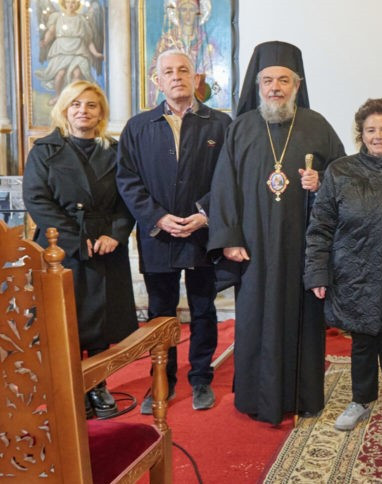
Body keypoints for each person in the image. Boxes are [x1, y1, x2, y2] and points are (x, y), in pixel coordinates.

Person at [207, 41, 345, 425]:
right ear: (258, 84)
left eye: (284, 80)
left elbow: (344, 177)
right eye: (268, 80)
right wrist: (230, 237)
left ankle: (303, 395)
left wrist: (322, 181)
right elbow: (223, 186)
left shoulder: (317, 125)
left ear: (297, 85)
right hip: (254, 248)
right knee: (254, 320)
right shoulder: (241, 129)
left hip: (303, 248)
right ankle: (255, 398)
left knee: (304, 321)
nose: (275, 88)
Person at [117, 49, 231, 414]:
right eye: (168, 71)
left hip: (202, 234)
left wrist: (204, 213)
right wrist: (158, 217)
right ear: (158, 81)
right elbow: (127, 180)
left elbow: (229, 178)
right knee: (161, 313)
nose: (176, 76)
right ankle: (160, 380)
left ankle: (200, 378)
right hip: (158, 236)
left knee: (203, 309)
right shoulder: (138, 127)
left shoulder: (220, 124)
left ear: (195, 78)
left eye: (183, 70)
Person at [305, 98, 382, 435]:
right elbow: (320, 227)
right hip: (352, 273)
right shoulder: (340, 172)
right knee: (362, 342)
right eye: (371, 130)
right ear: (361, 134)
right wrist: (317, 272)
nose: (378, 135)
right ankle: (360, 400)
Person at [23, 80, 136, 418]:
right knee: (65, 319)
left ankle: (97, 384)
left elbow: (129, 197)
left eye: (91, 105)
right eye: (76, 104)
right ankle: (71, 386)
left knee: (102, 320)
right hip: (61, 246)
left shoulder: (116, 151)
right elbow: (37, 199)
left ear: (101, 113)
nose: (83, 111)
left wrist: (116, 233)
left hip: (105, 245)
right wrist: (73, 237)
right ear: (65, 109)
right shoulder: (45, 150)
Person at [146, 0, 216, 107]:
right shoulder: (167, 41)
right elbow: (154, 72)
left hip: (198, 100)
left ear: (198, 13)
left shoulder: (207, 44)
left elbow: (212, 75)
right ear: (177, 12)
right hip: (170, 98)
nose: (188, 14)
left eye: (191, 10)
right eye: (184, 9)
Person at [36, 0, 104, 106]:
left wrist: (95, 53)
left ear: (77, 4)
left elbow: (88, 40)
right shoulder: (57, 17)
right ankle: (58, 96)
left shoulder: (81, 19)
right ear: (64, 4)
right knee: (60, 73)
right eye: (68, 2)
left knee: (77, 74)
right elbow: (51, 32)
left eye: (73, 2)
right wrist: (45, 41)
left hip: (79, 50)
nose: (71, 4)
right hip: (61, 49)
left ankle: (75, 98)